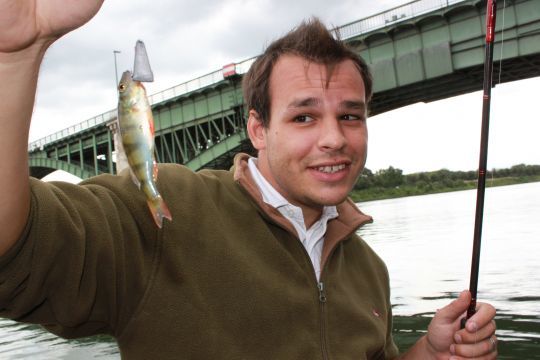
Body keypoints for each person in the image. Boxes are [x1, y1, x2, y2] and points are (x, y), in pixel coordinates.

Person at [0, 1, 498, 359]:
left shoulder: (368, 267)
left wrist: (430, 355)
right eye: (304, 117)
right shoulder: (167, 211)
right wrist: (14, 57)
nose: (335, 139)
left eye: (351, 116)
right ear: (257, 128)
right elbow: (18, 252)